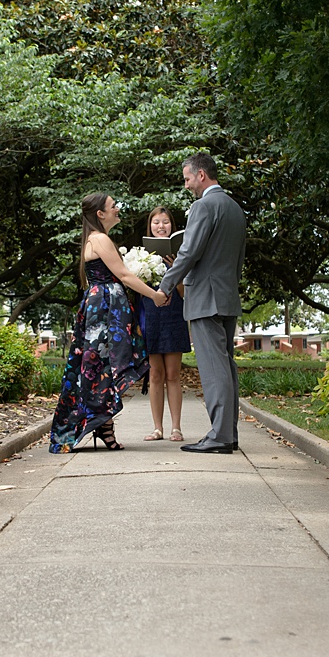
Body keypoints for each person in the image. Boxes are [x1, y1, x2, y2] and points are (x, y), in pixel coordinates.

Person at [50, 193, 169, 453]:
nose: (118, 209)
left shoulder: (96, 238)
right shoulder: (100, 239)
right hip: (104, 308)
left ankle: (104, 425)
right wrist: (155, 295)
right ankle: (102, 424)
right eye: (113, 206)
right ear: (100, 214)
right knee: (101, 365)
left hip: (104, 306)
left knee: (101, 365)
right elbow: (124, 275)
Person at [156, 153, 247, 454]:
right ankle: (228, 433)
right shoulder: (234, 208)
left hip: (205, 298)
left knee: (213, 368)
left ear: (201, 176)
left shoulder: (203, 206)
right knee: (227, 366)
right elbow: (238, 260)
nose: (186, 186)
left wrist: (166, 285)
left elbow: (190, 252)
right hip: (227, 296)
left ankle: (219, 437)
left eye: (187, 179)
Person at [138, 206, 192, 442]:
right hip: (150, 316)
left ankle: (176, 428)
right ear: (150, 226)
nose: (161, 226)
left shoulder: (182, 255)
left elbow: (183, 293)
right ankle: (157, 428)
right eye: (156, 222)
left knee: (173, 374)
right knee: (155, 374)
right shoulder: (140, 256)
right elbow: (138, 292)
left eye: (166, 222)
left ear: (173, 226)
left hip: (173, 315)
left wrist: (175, 269)